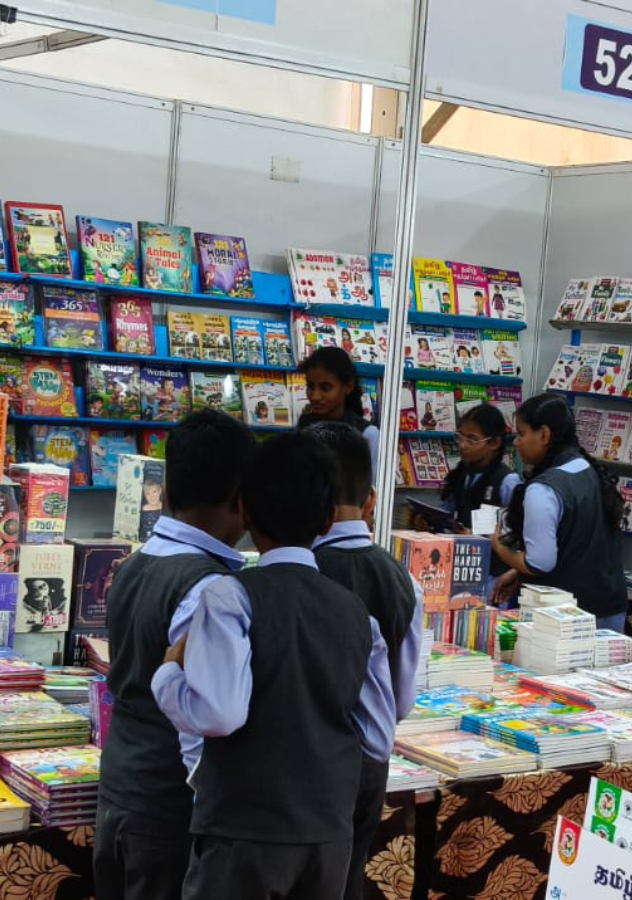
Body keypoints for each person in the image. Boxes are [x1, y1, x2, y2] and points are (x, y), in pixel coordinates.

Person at [157, 431, 395, 900]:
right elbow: (378, 737)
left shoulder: (230, 596)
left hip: (243, 829)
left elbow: (219, 714)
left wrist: (167, 675)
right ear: (328, 519)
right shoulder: (357, 615)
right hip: (326, 833)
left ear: (243, 511)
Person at [95, 410, 257, 900]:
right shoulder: (208, 587)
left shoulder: (134, 564)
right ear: (241, 500)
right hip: (171, 805)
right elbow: (202, 721)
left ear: (165, 493)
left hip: (122, 784)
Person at [304, 422, 422, 900]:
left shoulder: (300, 570)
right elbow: (402, 700)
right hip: (368, 765)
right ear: (371, 500)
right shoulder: (404, 580)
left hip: (302, 762)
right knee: (347, 878)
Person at [491, 394, 627, 631]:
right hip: (609, 605)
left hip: (568, 617)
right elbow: (575, 542)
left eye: (522, 434)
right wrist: (518, 572)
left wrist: (501, 549)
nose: (517, 443)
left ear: (544, 435)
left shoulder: (543, 489)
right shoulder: (588, 468)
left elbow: (540, 564)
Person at [297, 346, 380, 475]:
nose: (315, 396)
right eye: (310, 386)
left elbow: (373, 483)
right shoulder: (304, 425)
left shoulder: (368, 434)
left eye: (325, 387)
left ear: (348, 386)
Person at [439, 403, 522, 532]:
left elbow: (516, 530)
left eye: (471, 440)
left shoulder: (507, 481)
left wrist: (477, 535)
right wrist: (431, 521)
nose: (462, 445)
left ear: (494, 443)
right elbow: (446, 513)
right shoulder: (461, 474)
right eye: (460, 437)